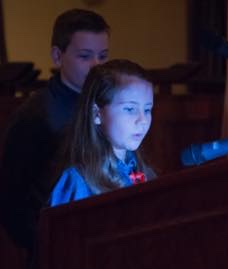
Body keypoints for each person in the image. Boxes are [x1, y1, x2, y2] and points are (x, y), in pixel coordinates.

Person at [0, 8, 110, 255]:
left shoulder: (109, 104)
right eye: (85, 56)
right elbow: (10, 201)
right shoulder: (36, 115)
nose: (97, 66)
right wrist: (47, 246)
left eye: (103, 56)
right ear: (57, 56)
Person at [49, 59, 156, 207]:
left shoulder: (143, 172)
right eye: (130, 109)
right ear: (97, 114)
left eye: (147, 110)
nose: (143, 120)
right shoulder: (77, 181)